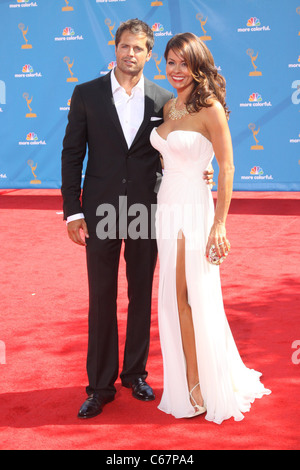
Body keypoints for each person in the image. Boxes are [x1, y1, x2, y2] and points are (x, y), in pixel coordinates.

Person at [61, 20, 213, 419]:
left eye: (139, 48)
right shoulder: (87, 94)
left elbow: (175, 149)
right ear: (115, 48)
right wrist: (72, 211)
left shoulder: (163, 99)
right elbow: (72, 154)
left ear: (149, 54)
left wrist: (201, 170)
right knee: (101, 295)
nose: (131, 54)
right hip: (100, 211)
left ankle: (135, 374)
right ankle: (99, 385)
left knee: (142, 293)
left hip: (149, 209)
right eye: (124, 46)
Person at [150, 33, 271, 424]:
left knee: (185, 295)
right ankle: (189, 379)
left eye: (184, 63)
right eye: (170, 62)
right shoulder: (168, 106)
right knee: (171, 297)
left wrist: (220, 223)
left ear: (199, 65)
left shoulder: (211, 108)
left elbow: (228, 167)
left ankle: (198, 384)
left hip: (194, 209)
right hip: (166, 205)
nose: (176, 70)